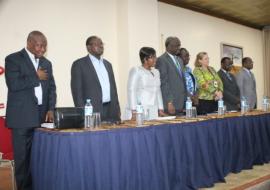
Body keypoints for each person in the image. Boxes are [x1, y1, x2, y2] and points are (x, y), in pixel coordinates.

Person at [5, 31, 56, 190]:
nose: (42, 49)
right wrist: (36, 76)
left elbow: (52, 88)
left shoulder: (46, 63)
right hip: (21, 118)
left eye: (44, 46)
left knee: (38, 158)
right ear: (29, 42)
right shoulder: (13, 59)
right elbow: (13, 84)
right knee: (22, 160)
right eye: (39, 45)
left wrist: (51, 108)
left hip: (41, 117)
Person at [71, 36, 121, 122]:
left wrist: (117, 108)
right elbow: (77, 93)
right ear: (88, 47)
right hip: (92, 112)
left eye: (101, 43)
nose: (101, 46)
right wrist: (83, 113)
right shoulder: (79, 64)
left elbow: (113, 88)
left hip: (111, 110)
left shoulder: (108, 64)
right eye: (97, 44)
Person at [125, 47, 166, 120]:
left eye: (155, 56)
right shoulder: (136, 70)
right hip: (140, 109)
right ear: (145, 59)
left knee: (152, 129)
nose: (155, 59)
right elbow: (131, 90)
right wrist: (134, 111)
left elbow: (158, 90)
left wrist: (160, 108)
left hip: (153, 108)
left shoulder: (156, 72)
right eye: (152, 57)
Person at [155, 37, 187, 115]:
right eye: (177, 46)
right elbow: (163, 82)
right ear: (169, 46)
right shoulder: (162, 60)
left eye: (179, 45)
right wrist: (169, 102)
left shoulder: (179, 60)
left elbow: (182, 81)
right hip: (171, 104)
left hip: (182, 103)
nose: (179, 48)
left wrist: (188, 97)